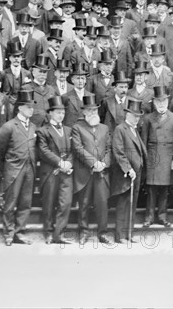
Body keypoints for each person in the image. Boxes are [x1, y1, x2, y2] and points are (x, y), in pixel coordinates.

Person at [0, 90, 38, 245]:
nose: (31, 109)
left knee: (25, 203)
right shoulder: (8, 126)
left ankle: (20, 232)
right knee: (10, 203)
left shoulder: (33, 126)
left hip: (30, 169)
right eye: (28, 107)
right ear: (20, 108)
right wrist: (7, 166)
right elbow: (0, 150)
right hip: (13, 169)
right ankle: (9, 233)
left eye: (32, 107)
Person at [70, 95, 112, 245]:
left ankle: (103, 233)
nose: (93, 113)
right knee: (84, 204)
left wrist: (104, 163)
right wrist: (93, 163)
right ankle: (83, 232)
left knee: (102, 204)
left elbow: (108, 148)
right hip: (85, 172)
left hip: (101, 173)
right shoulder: (77, 127)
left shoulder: (104, 128)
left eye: (95, 110)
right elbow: (78, 149)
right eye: (90, 110)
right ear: (84, 112)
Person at [140, 86, 173, 227]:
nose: (161, 105)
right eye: (158, 102)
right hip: (152, 155)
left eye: (164, 102)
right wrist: (145, 159)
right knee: (151, 189)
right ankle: (149, 217)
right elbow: (143, 140)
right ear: (154, 103)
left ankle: (162, 216)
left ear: (168, 102)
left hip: (168, 157)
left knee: (164, 189)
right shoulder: (148, 119)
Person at [36, 96, 73, 244]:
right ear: (50, 113)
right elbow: (43, 151)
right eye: (58, 112)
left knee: (66, 203)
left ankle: (59, 233)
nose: (61, 115)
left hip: (67, 173)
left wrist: (68, 163)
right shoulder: (42, 131)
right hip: (50, 172)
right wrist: (60, 163)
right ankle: (48, 233)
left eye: (63, 113)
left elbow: (74, 150)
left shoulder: (69, 130)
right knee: (49, 203)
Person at [110, 99, 147, 243]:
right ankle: (120, 236)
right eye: (134, 115)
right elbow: (118, 152)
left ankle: (129, 234)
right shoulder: (121, 129)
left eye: (138, 116)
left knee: (132, 204)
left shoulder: (134, 129)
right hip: (125, 174)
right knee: (123, 204)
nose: (137, 118)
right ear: (127, 114)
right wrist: (128, 169)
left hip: (136, 174)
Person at [22, 55, 56, 127]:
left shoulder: (51, 90)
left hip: (48, 127)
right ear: (33, 72)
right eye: (40, 71)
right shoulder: (26, 88)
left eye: (44, 72)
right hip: (33, 126)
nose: (42, 74)